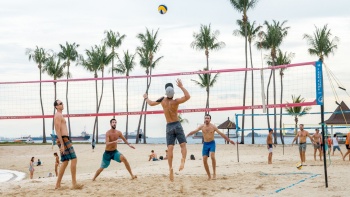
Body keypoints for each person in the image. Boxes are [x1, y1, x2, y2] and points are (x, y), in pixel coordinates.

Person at [144, 79, 190, 181]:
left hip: (169, 126)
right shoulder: (176, 101)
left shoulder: (162, 100)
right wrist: (181, 86)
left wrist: (146, 98)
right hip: (177, 124)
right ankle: (183, 159)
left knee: (170, 149)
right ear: (173, 92)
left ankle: (170, 168)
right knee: (183, 145)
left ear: (166, 91)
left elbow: (151, 103)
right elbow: (188, 96)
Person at [186, 114, 235, 180]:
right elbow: (194, 131)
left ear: (210, 119)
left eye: (208, 118)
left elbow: (221, 134)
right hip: (205, 144)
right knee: (204, 160)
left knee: (212, 156)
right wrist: (187, 135)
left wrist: (229, 140)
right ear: (204, 119)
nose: (206, 119)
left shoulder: (213, 127)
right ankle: (209, 175)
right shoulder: (202, 126)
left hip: (212, 143)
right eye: (205, 118)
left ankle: (214, 173)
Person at [53, 99, 83, 189]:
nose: (62, 104)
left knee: (65, 161)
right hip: (63, 139)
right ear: (56, 106)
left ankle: (57, 185)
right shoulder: (58, 115)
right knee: (74, 158)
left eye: (62, 103)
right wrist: (62, 143)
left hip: (64, 139)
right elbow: (57, 130)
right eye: (60, 103)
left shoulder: (60, 115)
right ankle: (74, 183)